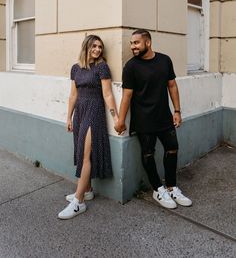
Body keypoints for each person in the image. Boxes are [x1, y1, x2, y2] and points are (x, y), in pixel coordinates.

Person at [115, 29, 192, 209]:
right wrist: (120, 120)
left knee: (172, 148)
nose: (132, 46)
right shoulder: (131, 67)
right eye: (131, 43)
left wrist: (177, 111)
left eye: (136, 43)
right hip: (143, 120)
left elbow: (172, 86)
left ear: (147, 43)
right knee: (148, 154)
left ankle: (172, 187)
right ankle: (158, 189)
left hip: (164, 117)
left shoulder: (165, 60)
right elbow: (127, 96)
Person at [58, 35, 118, 219]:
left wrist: (116, 118)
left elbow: (107, 94)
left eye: (100, 47)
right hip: (80, 113)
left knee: (85, 155)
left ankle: (78, 202)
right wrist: (69, 117)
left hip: (94, 112)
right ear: (86, 47)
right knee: (80, 151)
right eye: (94, 46)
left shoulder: (101, 67)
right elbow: (73, 96)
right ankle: (88, 190)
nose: (98, 49)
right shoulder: (76, 68)